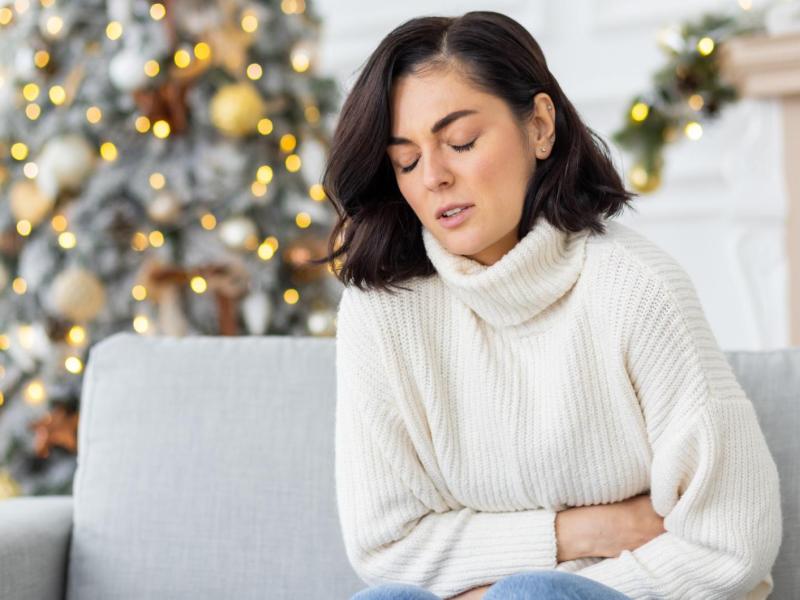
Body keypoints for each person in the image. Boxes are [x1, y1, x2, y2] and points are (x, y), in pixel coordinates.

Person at [312, 10, 782, 600]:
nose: (432, 177)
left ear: (539, 127)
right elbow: (385, 549)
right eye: (405, 160)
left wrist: (535, 586)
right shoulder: (383, 312)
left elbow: (731, 541)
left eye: (459, 142)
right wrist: (581, 531)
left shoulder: (634, 287)